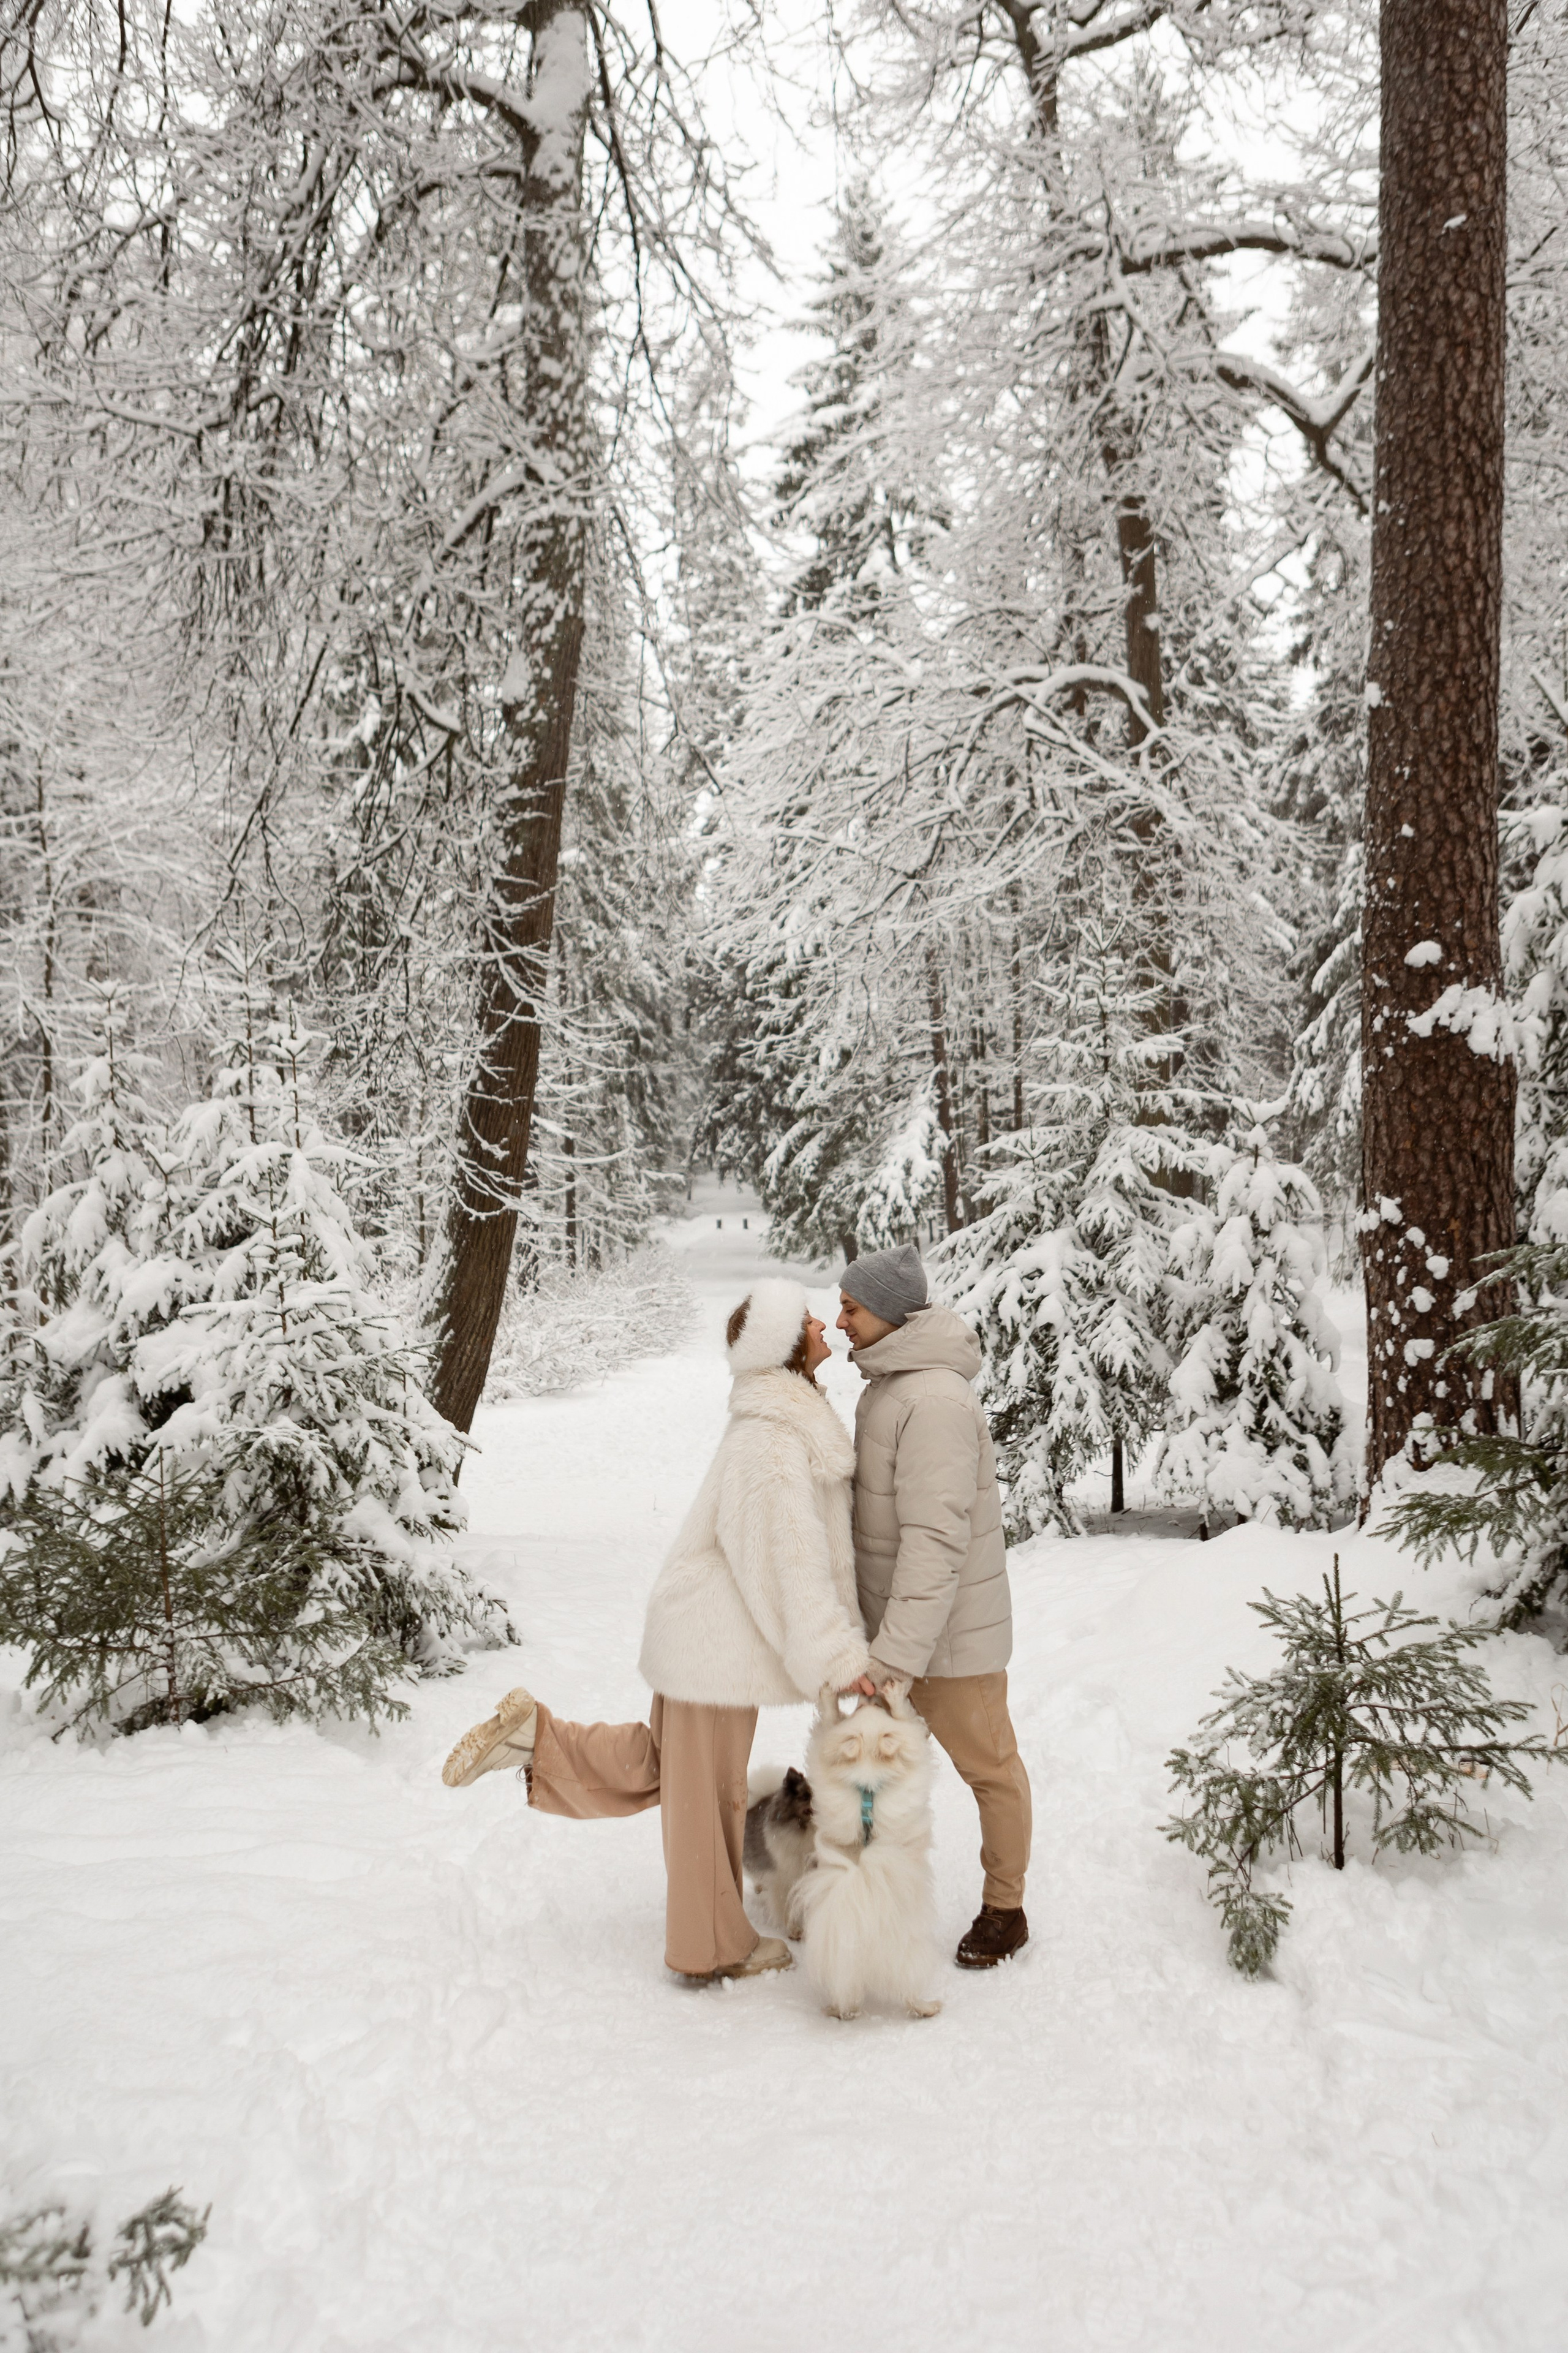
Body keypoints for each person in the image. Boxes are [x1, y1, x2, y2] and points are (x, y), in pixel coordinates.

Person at [440, 1279, 873, 1982]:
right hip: (717, 1643)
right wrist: (834, 1654)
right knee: (710, 1793)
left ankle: (536, 1738)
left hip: (706, 1635)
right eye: (808, 1317)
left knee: (670, 1769)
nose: (825, 1321)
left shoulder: (778, 1421)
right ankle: (712, 1946)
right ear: (786, 1344)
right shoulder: (770, 1436)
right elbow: (785, 1560)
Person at [837, 1241, 1033, 1970]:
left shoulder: (932, 1401)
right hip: (898, 1634)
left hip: (945, 1643)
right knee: (870, 1775)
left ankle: (1005, 1908)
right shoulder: (891, 1385)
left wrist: (893, 1657)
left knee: (990, 1770)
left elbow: (933, 1542)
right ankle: (865, 1903)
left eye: (852, 1307)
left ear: (888, 1314)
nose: (842, 1320)